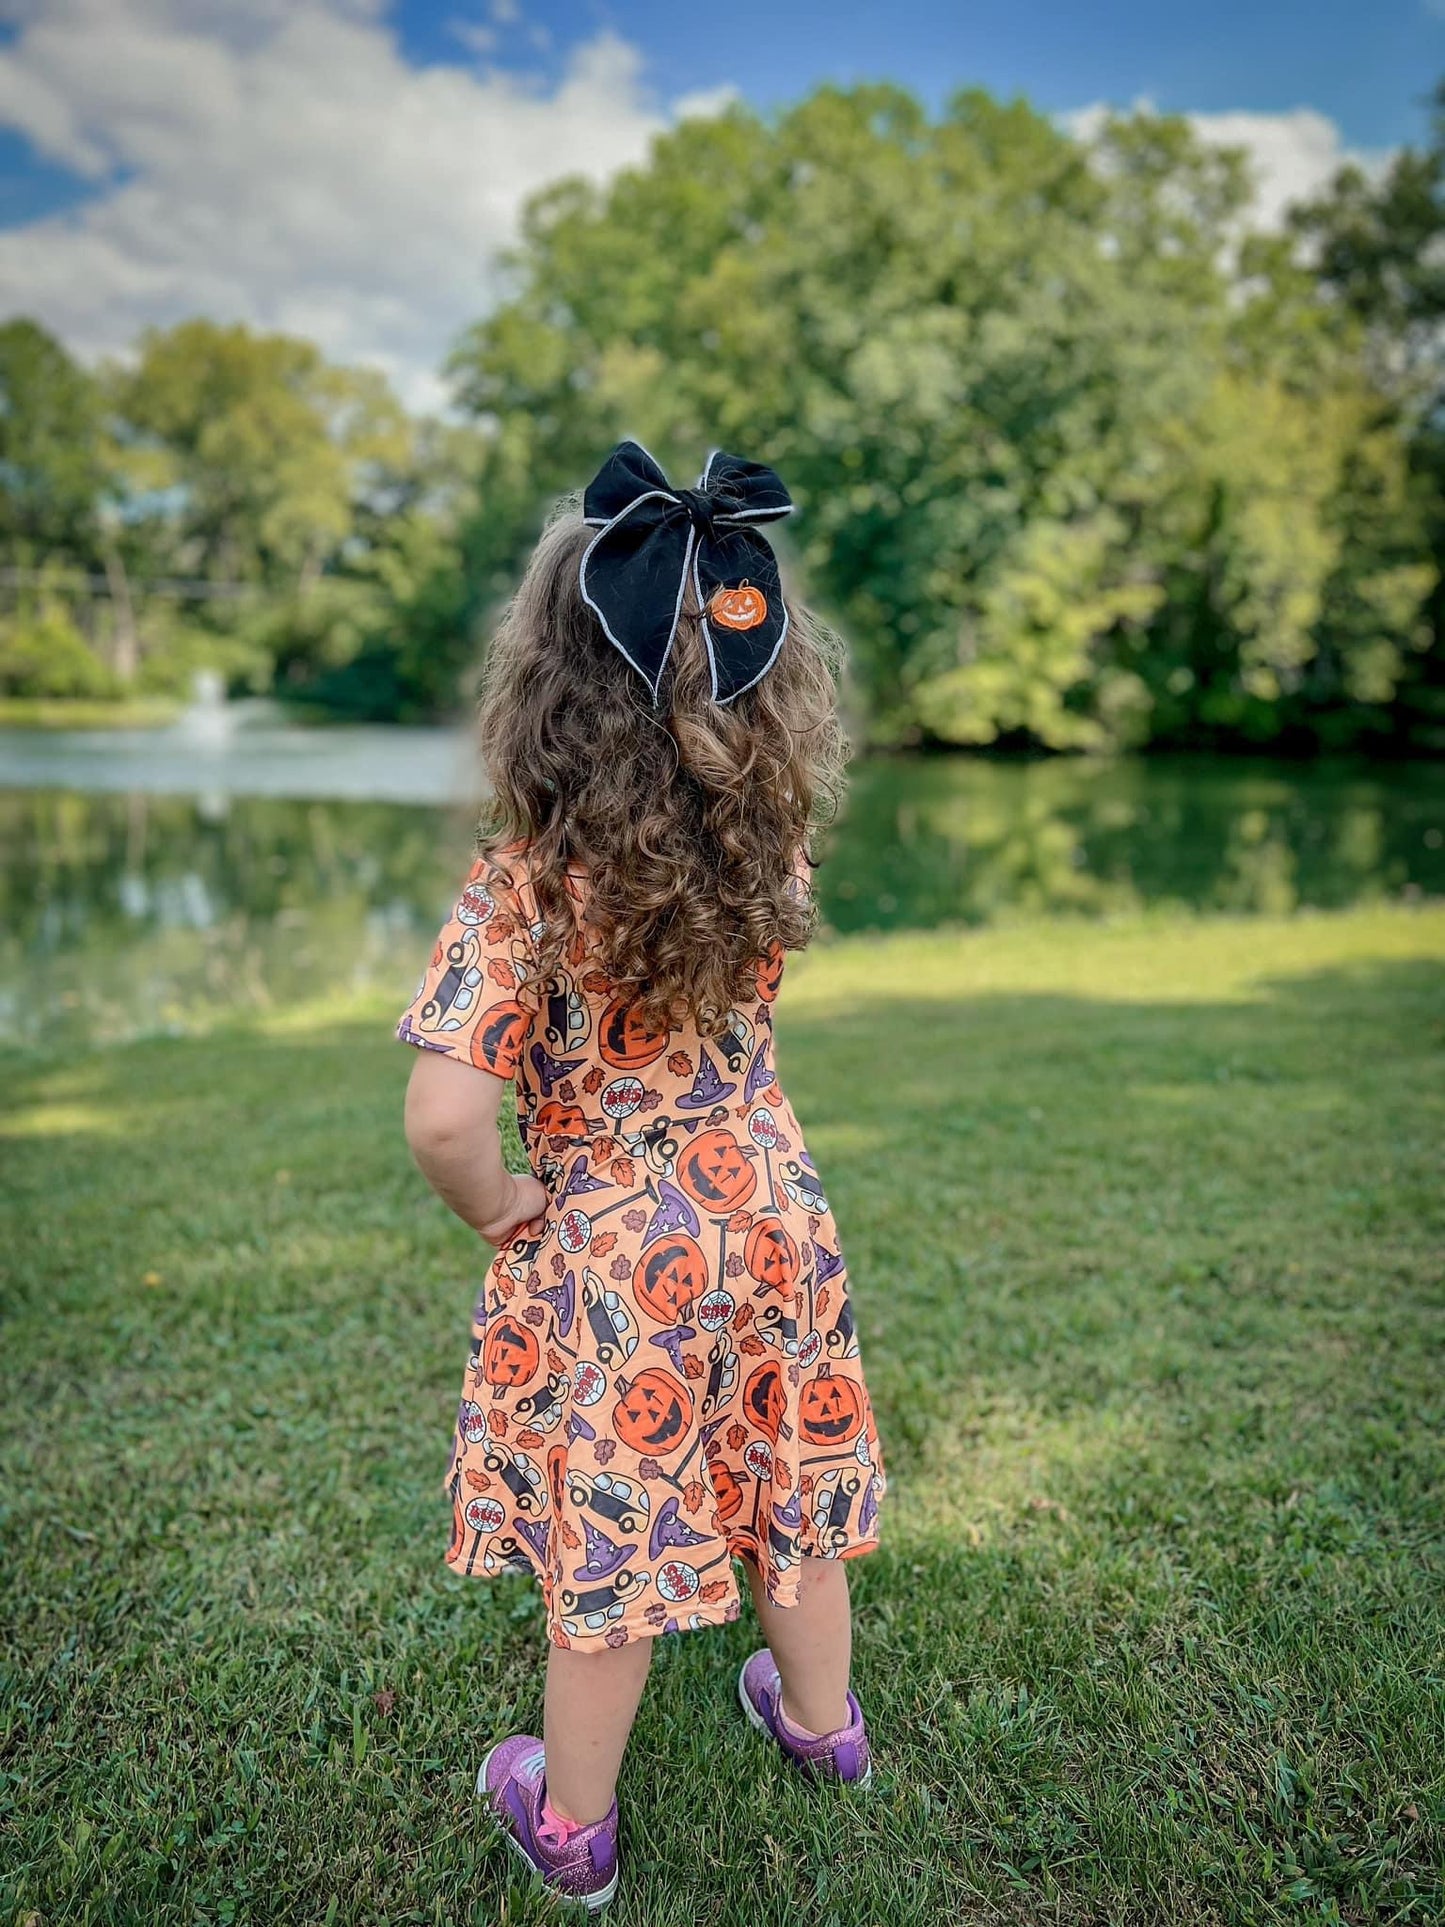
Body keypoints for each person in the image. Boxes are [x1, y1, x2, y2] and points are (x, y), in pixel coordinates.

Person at [395, 441, 886, 1911]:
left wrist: (497, 1206)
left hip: (615, 1250)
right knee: (781, 1480)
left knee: (607, 1523)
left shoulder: (525, 882)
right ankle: (822, 1728)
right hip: (774, 1214)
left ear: (544, 684)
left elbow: (440, 1117)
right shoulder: (771, 842)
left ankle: (572, 1826)